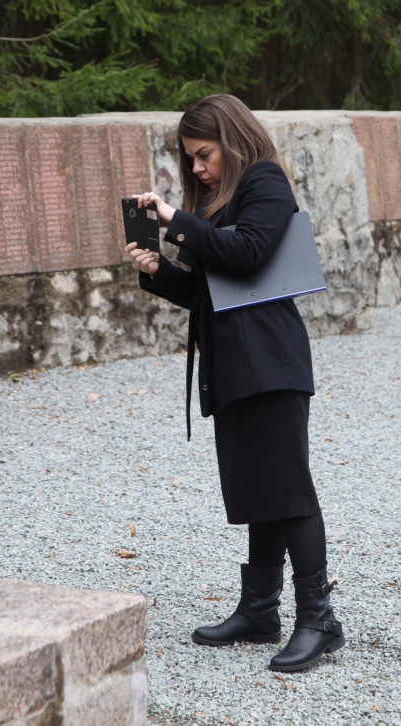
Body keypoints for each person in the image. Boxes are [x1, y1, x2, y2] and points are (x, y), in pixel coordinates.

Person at [125, 94, 344, 672]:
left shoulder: (265, 181)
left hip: (271, 360)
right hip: (235, 364)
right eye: (190, 159)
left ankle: (320, 619)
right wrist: (160, 271)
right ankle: (260, 610)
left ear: (233, 140)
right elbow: (214, 293)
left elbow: (248, 254)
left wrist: (176, 221)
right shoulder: (218, 202)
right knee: (259, 488)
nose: (197, 167)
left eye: (204, 154)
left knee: (289, 489)